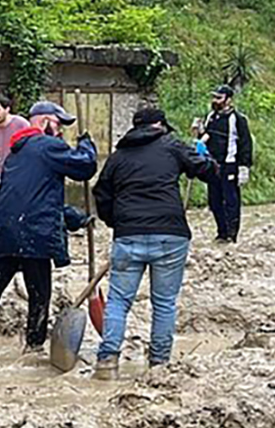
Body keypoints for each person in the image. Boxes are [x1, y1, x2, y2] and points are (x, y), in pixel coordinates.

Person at [0, 101, 97, 361]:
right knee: (39, 292)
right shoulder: (49, 146)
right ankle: (33, 347)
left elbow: (34, 198)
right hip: (35, 234)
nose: (60, 131)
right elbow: (85, 167)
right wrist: (86, 144)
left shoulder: (15, 153)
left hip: (4, 231)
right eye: (58, 124)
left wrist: (76, 219)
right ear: (44, 121)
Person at [91, 106, 218, 380]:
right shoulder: (172, 146)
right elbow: (207, 171)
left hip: (128, 234)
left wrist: (116, 222)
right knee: (164, 303)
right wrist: (205, 155)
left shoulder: (118, 156)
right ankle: (158, 365)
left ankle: (107, 361)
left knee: (118, 301)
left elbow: (101, 193)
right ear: (160, 125)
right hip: (170, 235)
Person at [195, 85, 253, 244]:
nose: (215, 101)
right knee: (214, 201)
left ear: (228, 100)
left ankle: (232, 235)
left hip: (230, 164)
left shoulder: (237, 119)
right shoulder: (211, 116)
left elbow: (246, 143)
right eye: (214, 97)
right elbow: (206, 137)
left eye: (219, 98)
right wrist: (200, 133)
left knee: (230, 200)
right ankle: (221, 233)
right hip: (212, 164)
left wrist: (244, 167)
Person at [0, 94, 31, 201]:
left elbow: (33, 145)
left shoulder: (21, 124)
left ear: (7, 109)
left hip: (21, 172)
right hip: (2, 173)